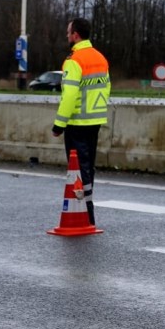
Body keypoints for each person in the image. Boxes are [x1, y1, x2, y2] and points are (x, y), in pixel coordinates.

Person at [51, 17, 111, 226]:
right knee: (88, 167)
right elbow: (106, 88)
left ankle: (84, 212)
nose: (67, 36)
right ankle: (88, 209)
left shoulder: (74, 60)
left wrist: (59, 124)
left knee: (77, 168)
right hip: (95, 120)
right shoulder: (101, 58)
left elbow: (69, 95)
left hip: (76, 122)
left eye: (69, 33)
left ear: (75, 35)